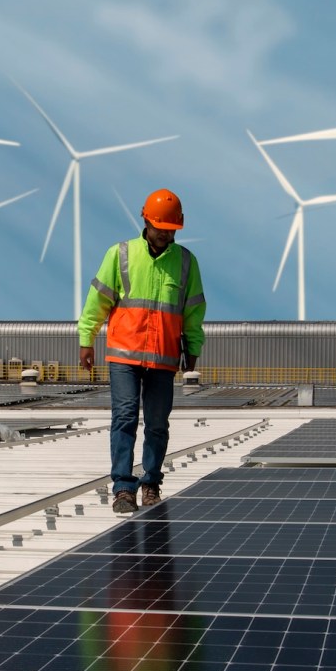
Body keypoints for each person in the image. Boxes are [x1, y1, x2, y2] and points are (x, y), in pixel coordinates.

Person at [78, 188, 205, 514]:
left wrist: (193, 347)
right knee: (124, 419)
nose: (164, 233)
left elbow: (193, 311)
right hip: (124, 354)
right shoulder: (120, 254)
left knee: (158, 423)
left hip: (163, 357)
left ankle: (150, 483)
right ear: (145, 220)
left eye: (170, 229)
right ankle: (122, 488)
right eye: (159, 226)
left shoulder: (187, 263)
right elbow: (98, 301)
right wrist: (86, 339)